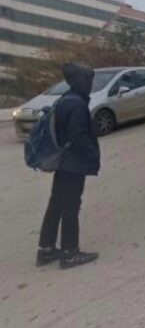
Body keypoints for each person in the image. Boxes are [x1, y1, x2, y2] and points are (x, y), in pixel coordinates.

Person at [36, 63, 100, 269]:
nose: (90, 85)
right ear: (81, 81)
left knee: (56, 204)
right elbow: (78, 136)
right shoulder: (77, 104)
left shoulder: (65, 100)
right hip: (73, 164)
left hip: (63, 161)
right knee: (71, 207)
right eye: (89, 81)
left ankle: (46, 249)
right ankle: (69, 252)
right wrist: (92, 154)